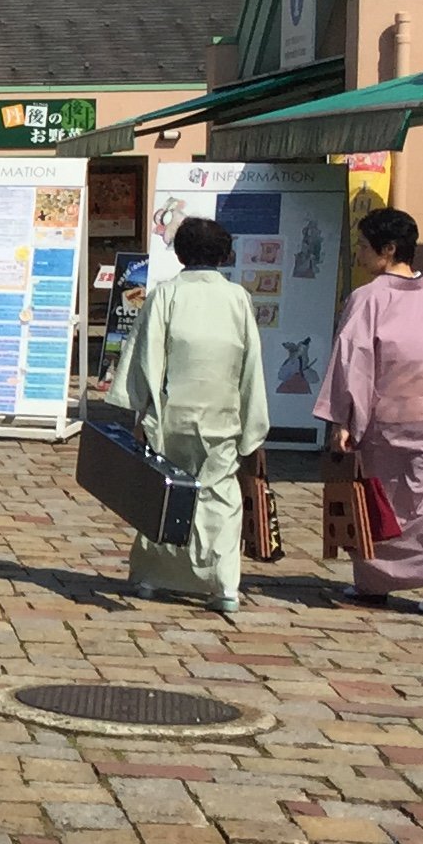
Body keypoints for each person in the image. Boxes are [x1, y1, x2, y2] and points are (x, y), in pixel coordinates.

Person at [318, 206, 423, 619]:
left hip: (382, 419)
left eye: (364, 246)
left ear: (387, 249)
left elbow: (352, 361)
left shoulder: (368, 299)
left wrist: (342, 420)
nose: (359, 253)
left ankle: (390, 582)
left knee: (379, 500)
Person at [116, 215, 270, 617]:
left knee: (165, 494)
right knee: (220, 497)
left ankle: (152, 575)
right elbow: (251, 363)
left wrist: (141, 408)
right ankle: (224, 585)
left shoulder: (166, 294)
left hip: (172, 414)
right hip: (222, 413)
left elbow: (147, 357)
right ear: (224, 254)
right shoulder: (237, 297)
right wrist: (254, 426)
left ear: (180, 252)